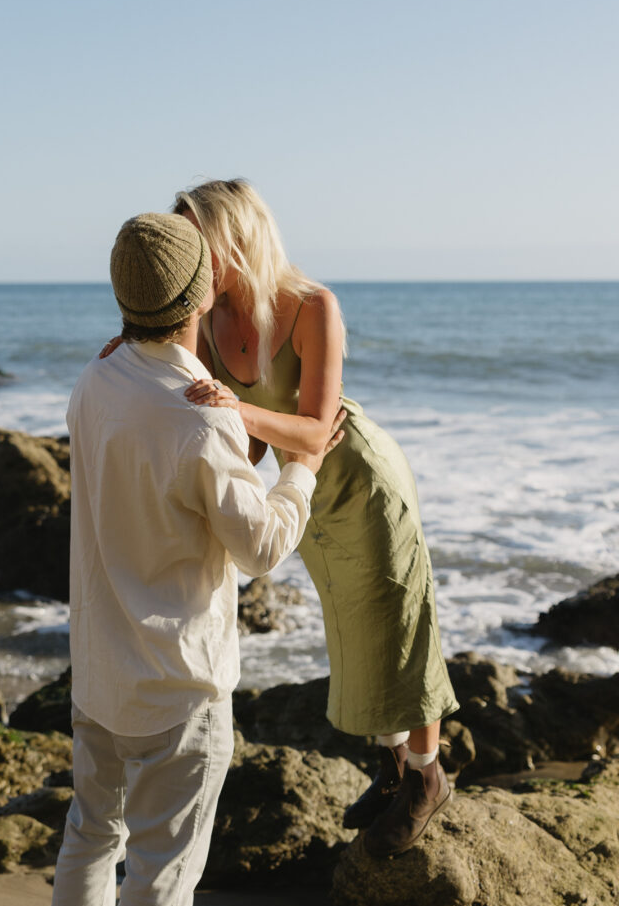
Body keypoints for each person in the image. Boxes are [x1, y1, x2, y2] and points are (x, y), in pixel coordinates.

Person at [28, 212, 344, 906]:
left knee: (91, 842)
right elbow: (261, 549)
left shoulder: (94, 384)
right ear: (203, 294)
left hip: (99, 669)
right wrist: (302, 468)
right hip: (179, 681)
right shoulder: (196, 419)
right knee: (163, 869)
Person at [172, 179, 459, 859]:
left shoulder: (311, 306)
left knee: (400, 620)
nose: (188, 253)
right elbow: (243, 442)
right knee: (352, 627)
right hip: (306, 495)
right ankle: (390, 770)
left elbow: (311, 429)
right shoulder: (212, 320)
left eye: (195, 238)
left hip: (361, 479)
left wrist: (232, 410)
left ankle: (428, 778)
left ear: (233, 237)